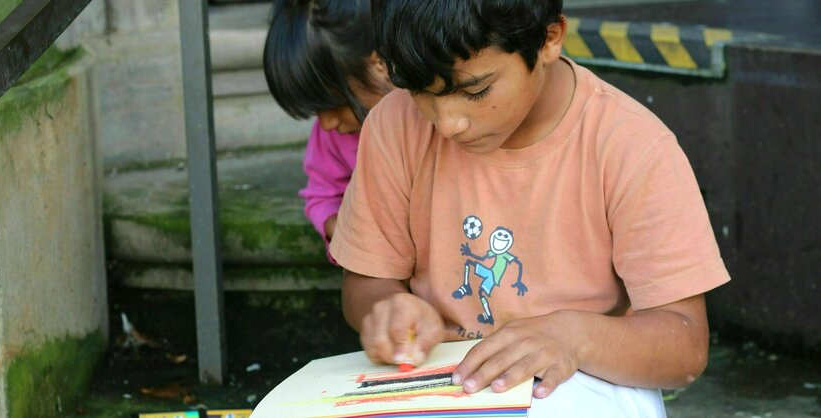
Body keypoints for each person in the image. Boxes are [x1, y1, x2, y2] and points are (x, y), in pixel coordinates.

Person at [329, 0, 731, 416]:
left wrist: (575, 338)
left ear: (549, 39)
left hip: (581, 382)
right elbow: (366, 283)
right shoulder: (394, 125)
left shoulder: (632, 147)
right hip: (436, 386)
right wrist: (386, 309)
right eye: (421, 92)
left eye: (475, 90)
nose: (447, 123)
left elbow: (683, 346)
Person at [263, 0, 392, 263]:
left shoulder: (436, 119)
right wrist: (342, 228)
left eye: (334, 104)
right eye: (316, 112)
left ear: (380, 65)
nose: (326, 124)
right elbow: (322, 197)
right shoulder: (333, 137)